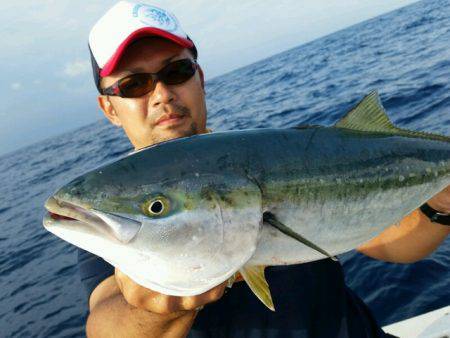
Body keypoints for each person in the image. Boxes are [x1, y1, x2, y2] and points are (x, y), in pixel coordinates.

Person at [80, 2, 450, 337]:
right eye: (133, 85)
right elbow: (106, 323)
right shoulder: (111, 211)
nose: (161, 94)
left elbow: (391, 245)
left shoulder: (274, 159)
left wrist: (442, 205)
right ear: (109, 108)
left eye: (176, 71)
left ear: (200, 78)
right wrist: (152, 309)